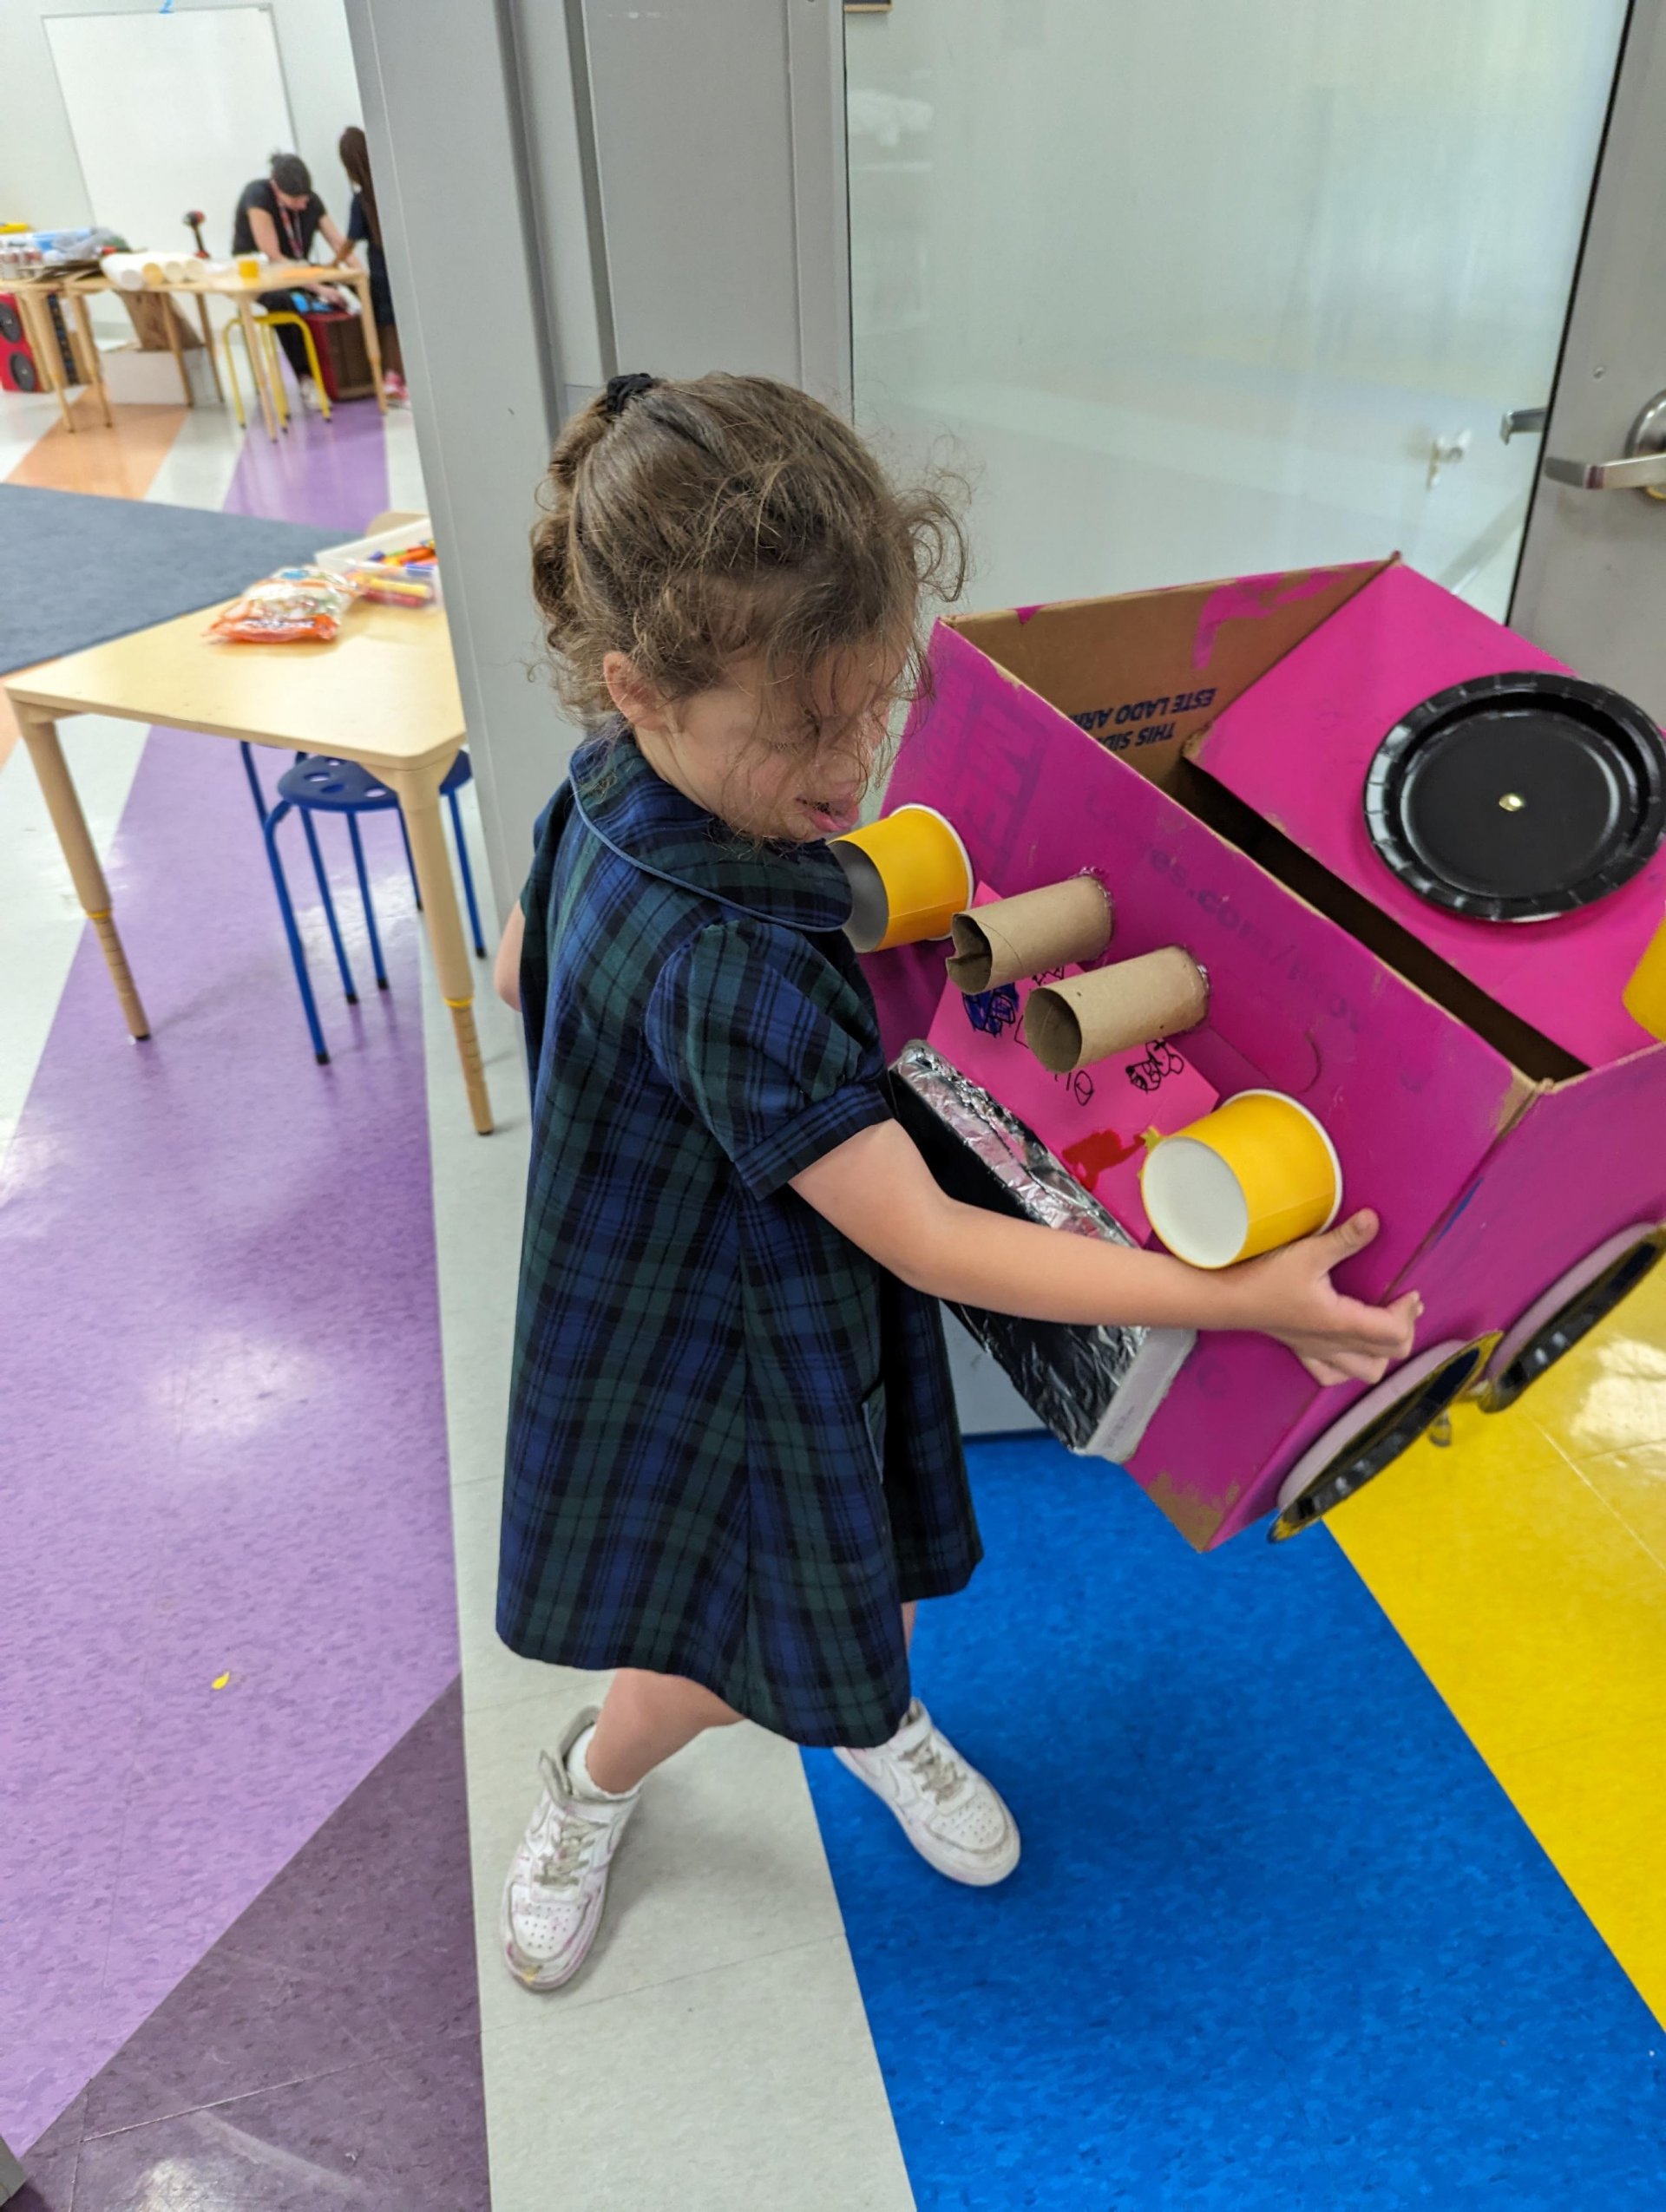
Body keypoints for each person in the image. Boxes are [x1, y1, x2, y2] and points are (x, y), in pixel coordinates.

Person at [489, 370, 1422, 1994]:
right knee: (708, 1646)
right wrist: (1237, 1293)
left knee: (864, 1556)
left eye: (871, 705)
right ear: (643, 688)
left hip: (763, 1272)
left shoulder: (608, 779)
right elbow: (934, 1242)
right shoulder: (728, 957)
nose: (854, 765)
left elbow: (516, 963)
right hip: (704, 1332)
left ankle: (869, 1706)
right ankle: (594, 1779)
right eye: (806, 732)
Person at [230, 152, 353, 408]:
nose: (302, 204)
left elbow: (338, 242)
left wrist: (357, 274)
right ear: (277, 188)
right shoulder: (257, 196)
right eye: (295, 199)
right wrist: (320, 288)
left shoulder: (310, 201)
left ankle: (361, 370)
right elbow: (273, 257)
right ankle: (306, 378)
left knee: (357, 287)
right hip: (261, 275)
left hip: (298, 270)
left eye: (305, 197)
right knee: (283, 301)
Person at [338, 126, 406, 402]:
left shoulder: (361, 200)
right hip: (400, 268)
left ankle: (393, 377)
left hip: (380, 272)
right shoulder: (391, 191)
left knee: (387, 323)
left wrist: (334, 263)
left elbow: (351, 240)